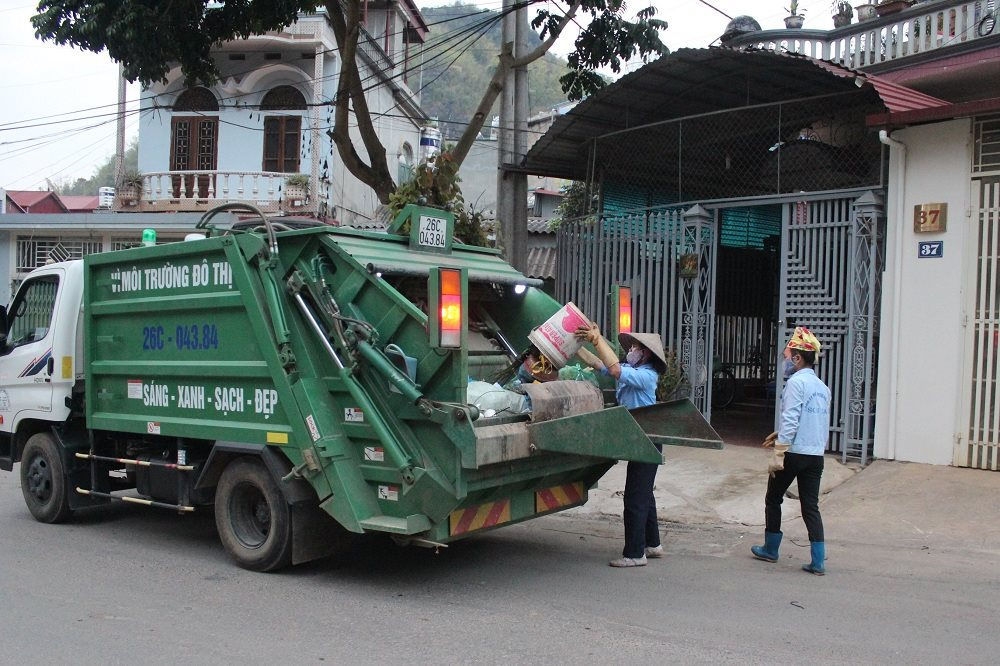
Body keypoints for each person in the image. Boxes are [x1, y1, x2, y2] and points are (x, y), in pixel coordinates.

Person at [575, 323, 667, 568]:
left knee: (635, 498)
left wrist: (597, 339)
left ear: (647, 354)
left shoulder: (647, 376)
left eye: (636, 347)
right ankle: (653, 544)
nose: (632, 350)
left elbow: (614, 370)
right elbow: (600, 365)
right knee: (644, 493)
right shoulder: (630, 367)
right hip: (638, 437)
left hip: (646, 439)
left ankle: (635, 554)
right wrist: (575, 347)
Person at [751, 326, 831, 575]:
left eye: (787, 356)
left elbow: (792, 417)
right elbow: (816, 421)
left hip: (793, 453)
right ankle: (818, 561)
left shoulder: (796, 383)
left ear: (797, 358)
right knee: (811, 506)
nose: (786, 360)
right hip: (815, 455)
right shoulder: (822, 387)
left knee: (773, 498)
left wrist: (780, 449)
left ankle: (771, 549)